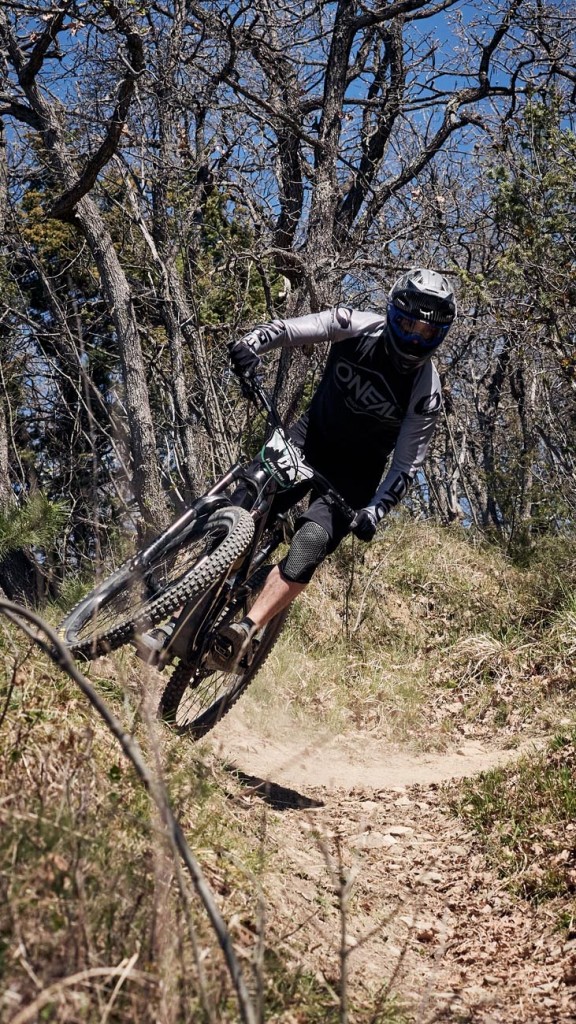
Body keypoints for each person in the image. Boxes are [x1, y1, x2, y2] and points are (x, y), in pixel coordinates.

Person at [208, 266, 457, 671]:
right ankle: (193, 594)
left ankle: (243, 632)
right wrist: (253, 343)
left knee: (308, 545)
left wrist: (374, 511)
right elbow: (290, 330)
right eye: (408, 324)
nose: (414, 338)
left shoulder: (425, 393)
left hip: (353, 477)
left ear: (440, 334)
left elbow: (405, 465)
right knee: (246, 499)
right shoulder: (353, 324)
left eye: (426, 332)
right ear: (392, 314)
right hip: (308, 440)